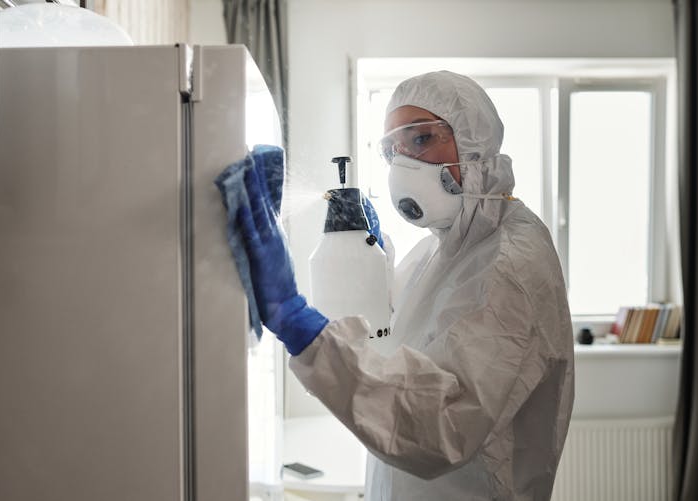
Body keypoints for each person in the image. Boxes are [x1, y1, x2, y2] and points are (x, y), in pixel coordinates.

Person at [236, 70, 574, 500]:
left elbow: (441, 425)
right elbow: (394, 338)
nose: (404, 166)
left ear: (474, 141)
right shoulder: (442, 248)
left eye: (419, 140)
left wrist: (296, 321)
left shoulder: (511, 260)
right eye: (392, 151)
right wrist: (368, 268)